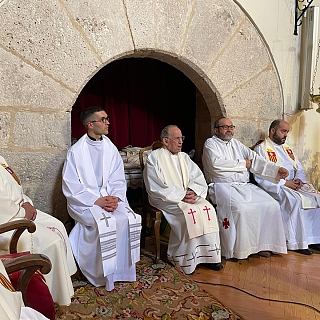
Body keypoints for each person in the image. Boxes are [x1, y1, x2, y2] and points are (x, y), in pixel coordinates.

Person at [62, 106, 141, 291]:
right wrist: (97, 200)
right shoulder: (76, 152)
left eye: (107, 119)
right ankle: (98, 272)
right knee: (104, 223)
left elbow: (118, 178)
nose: (108, 123)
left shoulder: (110, 147)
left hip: (109, 197)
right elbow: (71, 185)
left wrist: (115, 198)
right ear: (90, 124)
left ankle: (121, 272)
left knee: (128, 218)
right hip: (84, 201)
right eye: (103, 119)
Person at [202, 117, 288, 260]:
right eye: (225, 127)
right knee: (242, 209)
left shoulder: (236, 144)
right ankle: (240, 249)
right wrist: (243, 164)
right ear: (216, 130)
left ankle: (262, 244)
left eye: (231, 127)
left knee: (271, 204)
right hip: (222, 187)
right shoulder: (210, 144)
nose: (229, 130)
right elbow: (215, 165)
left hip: (244, 186)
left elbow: (255, 159)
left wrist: (276, 170)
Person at [143, 125, 222, 275]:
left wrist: (193, 191)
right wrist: (181, 195)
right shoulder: (154, 158)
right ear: (166, 141)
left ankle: (210, 257)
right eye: (177, 138)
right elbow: (156, 186)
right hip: (164, 198)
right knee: (190, 213)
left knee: (208, 209)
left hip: (186, 196)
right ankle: (184, 259)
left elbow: (197, 178)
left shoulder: (184, 157)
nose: (181, 142)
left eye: (182, 138)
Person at [0, 155, 77, 306]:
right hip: (7, 222)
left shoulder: (1, 158)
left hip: (19, 209)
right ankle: (49, 297)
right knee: (52, 240)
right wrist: (22, 212)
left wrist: (26, 203)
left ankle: (63, 286)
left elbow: (15, 188)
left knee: (58, 225)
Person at [254, 119, 320, 255]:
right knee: (295, 201)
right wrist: (285, 183)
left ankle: (314, 239)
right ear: (273, 131)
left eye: (287, 132)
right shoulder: (261, 149)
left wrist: (299, 181)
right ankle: (297, 242)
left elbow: (299, 167)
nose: (286, 135)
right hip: (276, 186)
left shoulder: (287, 149)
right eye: (283, 131)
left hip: (292, 184)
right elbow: (261, 175)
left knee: (317, 198)